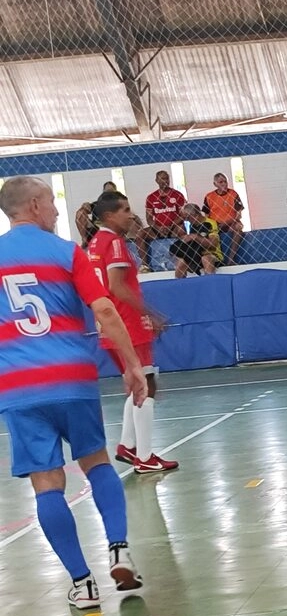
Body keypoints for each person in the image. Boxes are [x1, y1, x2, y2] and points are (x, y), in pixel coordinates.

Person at [0, 176, 148, 610]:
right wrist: (132, 365)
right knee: (96, 461)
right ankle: (119, 550)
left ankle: (82, 583)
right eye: (51, 201)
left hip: (19, 384)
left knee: (46, 483)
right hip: (72, 377)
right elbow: (104, 309)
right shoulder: (67, 252)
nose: (56, 210)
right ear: (33, 205)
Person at [87, 191, 179, 475]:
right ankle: (145, 456)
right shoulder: (114, 243)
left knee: (137, 382)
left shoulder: (95, 243)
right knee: (146, 384)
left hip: (110, 324)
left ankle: (128, 445)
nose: (131, 215)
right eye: (125, 210)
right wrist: (151, 313)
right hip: (126, 323)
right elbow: (117, 287)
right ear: (109, 216)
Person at [138, 170, 187, 273]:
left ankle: (186, 261)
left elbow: (183, 215)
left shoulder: (177, 195)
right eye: (162, 179)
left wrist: (171, 225)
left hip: (173, 227)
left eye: (167, 178)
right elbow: (149, 218)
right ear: (157, 180)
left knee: (182, 230)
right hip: (157, 229)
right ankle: (144, 265)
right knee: (140, 234)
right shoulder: (151, 197)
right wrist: (157, 227)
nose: (165, 181)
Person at [202, 173, 245, 264]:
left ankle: (231, 258)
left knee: (239, 227)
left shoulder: (233, 194)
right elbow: (206, 216)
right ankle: (213, 258)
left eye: (225, 182)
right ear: (215, 184)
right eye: (221, 182)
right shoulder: (209, 196)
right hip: (215, 224)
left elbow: (238, 215)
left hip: (231, 223)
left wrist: (226, 223)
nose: (224, 184)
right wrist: (214, 226)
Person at [170, 203, 219, 278]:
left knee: (206, 259)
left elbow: (213, 244)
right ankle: (179, 284)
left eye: (187, 218)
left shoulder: (210, 223)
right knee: (181, 262)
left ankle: (210, 283)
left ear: (195, 215)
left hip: (211, 253)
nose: (187, 220)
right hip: (195, 254)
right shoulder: (191, 225)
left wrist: (195, 237)